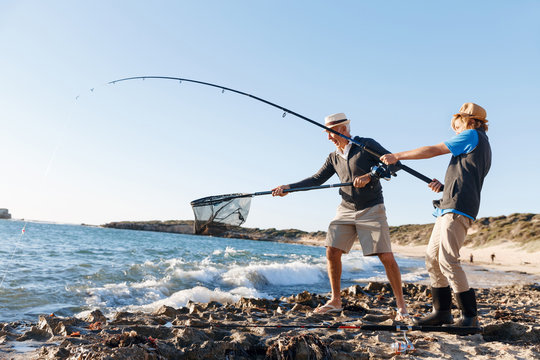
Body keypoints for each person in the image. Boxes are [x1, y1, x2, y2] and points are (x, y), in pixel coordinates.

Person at [272, 113, 409, 320]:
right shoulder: (333, 157)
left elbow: (394, 164)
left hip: (371, 207)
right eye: (326, 134)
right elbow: (316, 179)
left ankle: (402, 307)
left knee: (386, 256)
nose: (328, 138)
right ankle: (336, 300)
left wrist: (371, 175)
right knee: (332, 250)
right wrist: (288, 188)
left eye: (330, 133)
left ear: (343, 129)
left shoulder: (366, 145)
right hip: (345, 208)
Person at [380, 103, 491, 327]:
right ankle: (442, 312)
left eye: (457, 124)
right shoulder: (477, 142)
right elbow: (467, 177)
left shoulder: (472, 134)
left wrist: (397, 156)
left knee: (448, 260)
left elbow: (434, 149)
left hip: (458, 207)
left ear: (469, 121)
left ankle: (470, 317)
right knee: (432, 259)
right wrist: (445, 186)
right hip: (449, 204)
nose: (455, 130)